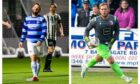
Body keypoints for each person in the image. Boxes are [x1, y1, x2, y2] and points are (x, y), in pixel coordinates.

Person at [81, 3, 132, 83]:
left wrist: (112, 42)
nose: (103, 11)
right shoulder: (95, 20)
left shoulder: (114, 19)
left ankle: (86, 66)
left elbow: (117, 32)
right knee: (111, 61)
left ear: (108, 10)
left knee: (99, 58)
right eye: (102, 9)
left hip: (108, 43)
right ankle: (124, 77)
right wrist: (87, 41)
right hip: (99, 43)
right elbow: (86, 30)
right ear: (99, 10)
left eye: (105, 9)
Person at [19, 3, 47, 81]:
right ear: (32, 8)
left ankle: (36, 76)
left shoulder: (42, 19)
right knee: (33, 57)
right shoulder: (27, 19)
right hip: (30, 42)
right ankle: (34, 75)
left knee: (38, 59)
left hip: (39, 42)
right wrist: (21, 41)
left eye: (37, 8)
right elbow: (24, 31)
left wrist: (41, 40)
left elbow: (44, 31)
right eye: (34, 7)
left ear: (39, 10)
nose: (35, 9)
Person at [43, 3, 64, 72]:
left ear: (56, 8)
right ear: (49, 8)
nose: (53, 8)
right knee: (50, 50)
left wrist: (61, 32)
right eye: (51, 7)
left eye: (54, 7)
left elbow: (60, 25)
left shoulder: (57, 16)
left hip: (54, 37)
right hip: (47, 36)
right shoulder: (46, 16)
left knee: (51, 52)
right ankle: (46, 68)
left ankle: (47, 67)